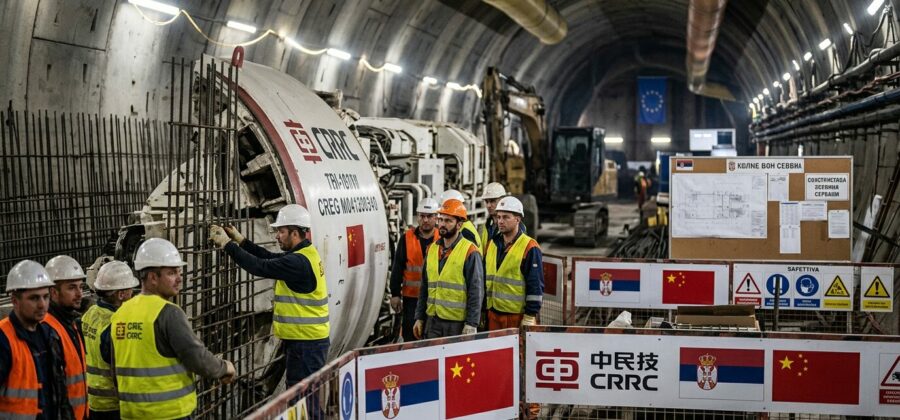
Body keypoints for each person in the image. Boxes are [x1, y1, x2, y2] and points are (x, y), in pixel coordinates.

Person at [106, 238, 235, 419]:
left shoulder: (120, 313)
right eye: (172, 273)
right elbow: (196, 357)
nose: (179, 278)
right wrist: (224, 368)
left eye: (179, 271)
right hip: (169, 413)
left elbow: (114, 370)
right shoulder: (168, 313)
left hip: (132, 414)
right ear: (152, 277)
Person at [209, 204, 329, 389]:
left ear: (294, 232)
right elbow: (269, 258)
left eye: (281, 231)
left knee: (302, 402)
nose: (276, 236)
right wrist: (241, 241)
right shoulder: (305, 254)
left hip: (306, 346)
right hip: (307, 343)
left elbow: (260, 266)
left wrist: (227, 244)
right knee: (303, 401)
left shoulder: (297, 262)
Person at [0, 260, 72, 419]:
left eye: (46, 297)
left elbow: (59, 390)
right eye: (34, 298)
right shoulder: (4, 338)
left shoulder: (48, 334)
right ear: (14, 300)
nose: (42, 305)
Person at [413, 199, 484, 339]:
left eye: (448, 221)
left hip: (456, 324)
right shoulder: (432, 249)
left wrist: (471, 324)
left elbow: (476, 291)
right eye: (441, 220)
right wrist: (419, 317)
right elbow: (424, 287)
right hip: (432, 321)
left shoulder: (470, 251)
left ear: (459, 225)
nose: (443, 224)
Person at [82, 261, 138, 419]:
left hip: (92, 399)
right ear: (121, 294)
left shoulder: (90, 313)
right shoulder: (117, 324)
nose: (132, 294)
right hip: (112, 404)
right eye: (130, 290)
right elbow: (120, 370)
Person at [484, 197, 544, 330]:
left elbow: (535, 286)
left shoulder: (529, 247)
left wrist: (530, 316)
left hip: (516, 317)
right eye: (498, 217)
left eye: (506, 217)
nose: (500, 221)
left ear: (518, 219)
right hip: (493, 314)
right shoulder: (492, 244)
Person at [44, 255, 89, 420]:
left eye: (80, 287)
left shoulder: (71, 324)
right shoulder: (49, 330)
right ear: (53, 293)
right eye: (72, 288)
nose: (79, 294)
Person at [389, 198, 440, 342]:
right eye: (422, 216)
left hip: (435, 299)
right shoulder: (407, 238)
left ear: (436, 218)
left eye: (429, 216)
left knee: (431, 337)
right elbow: (397, 267)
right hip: (412, 299)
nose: (425, 220)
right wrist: (395, 294)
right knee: (411, 337)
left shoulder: (442, 239)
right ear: (417, 216)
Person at [479, 182, 506, 254]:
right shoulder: (487, 225)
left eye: (492, 201)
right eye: (486, 201)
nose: (488, 205)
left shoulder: (510, 226)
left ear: (502, 200)